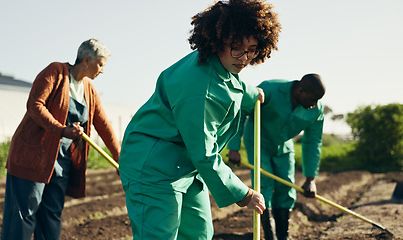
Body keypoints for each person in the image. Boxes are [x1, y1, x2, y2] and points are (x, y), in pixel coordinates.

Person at [118, 0, 281, 239]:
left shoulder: (220, 64)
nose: (244, 57)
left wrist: (253, 93)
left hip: (184, 166)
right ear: (218, 39)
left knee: (199, 233)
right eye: (237, 46)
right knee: (159, 235)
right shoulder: (200, 90)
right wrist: (245, 194)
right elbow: (205, 153)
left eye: (252, 49)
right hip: (153, 166)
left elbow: (231, 85)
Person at [0, 38, 121, 240]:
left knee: (51, 217)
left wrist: (119, 159)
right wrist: (62, 130)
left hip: (61, 163)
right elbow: (35, 106)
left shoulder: (88, 90)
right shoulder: (55, 72)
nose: (102, 70)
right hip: (33, 156)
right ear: (87, 60)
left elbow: (104, 125)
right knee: (23, 215)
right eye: (100, 64)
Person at [227, 73, 326, 240]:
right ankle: (270, 236)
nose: (315, 104)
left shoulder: (316, 110)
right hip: (259, 140)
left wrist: (311, 179)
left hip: (284, 144)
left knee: (286, 185)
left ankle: (283, 236)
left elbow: (313, 142)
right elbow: (242, 111)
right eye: (313, 98)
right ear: (300, 91)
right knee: (264, 184)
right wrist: (234, 147)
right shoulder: (271, 89)